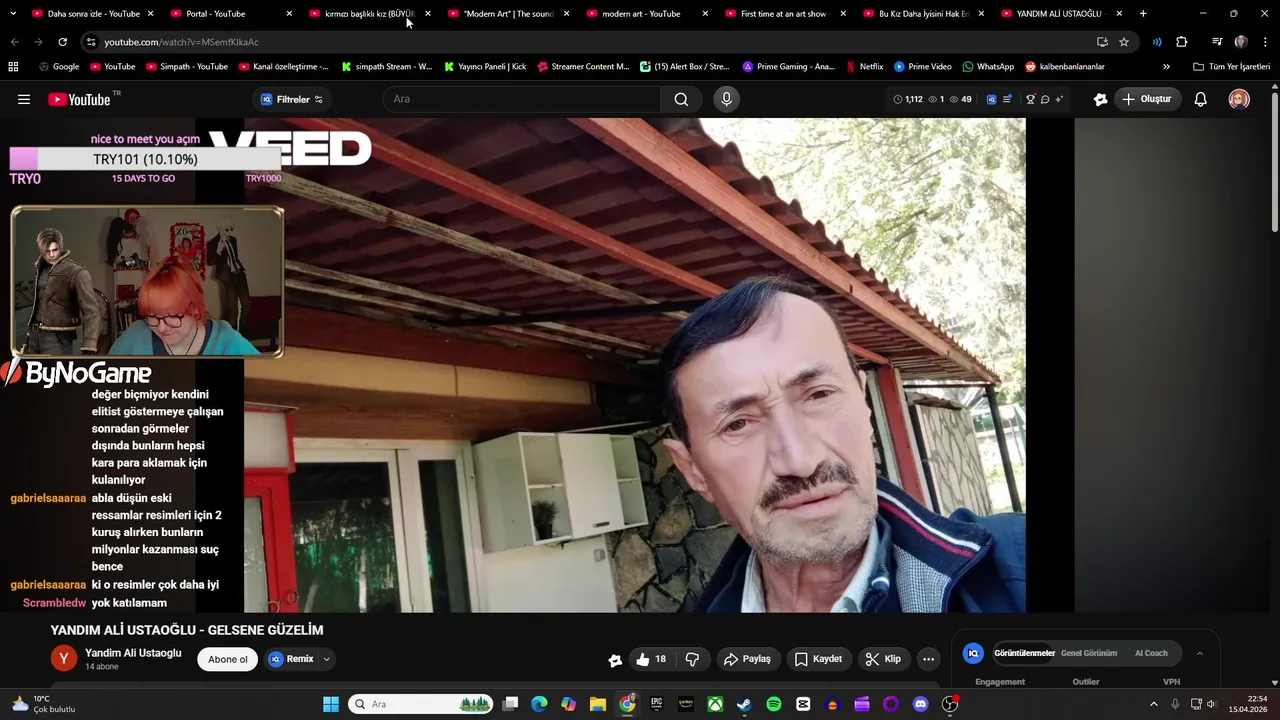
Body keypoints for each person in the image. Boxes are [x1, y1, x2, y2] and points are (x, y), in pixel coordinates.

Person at [659, 277, 1025, 613]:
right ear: (693, 470)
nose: (801, 461)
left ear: (865, 406)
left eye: (819, 395)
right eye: (738, 424)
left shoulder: (1016, 570)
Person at [108, 255, 259, 356]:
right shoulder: (134, 337)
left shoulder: (227, 341)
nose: (161, 328)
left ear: (195, 308)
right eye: (152, 316)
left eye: (172, 315)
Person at [25, 228, 101, 355]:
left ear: (60, 247)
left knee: (59, 367)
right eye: (47, 251)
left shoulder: (76, 272)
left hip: (58, 337)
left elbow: (92, 311)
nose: (51, 255)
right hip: (35, 333)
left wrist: (89, 343)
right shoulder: (40, 269)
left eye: (54, 250)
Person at [208, 219, 252, 332]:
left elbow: (234, 257)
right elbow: (210, 262)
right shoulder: (213, 243)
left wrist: (240, 270)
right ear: (221, 229)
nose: (230, 232)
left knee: (247, 306)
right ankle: (231, 337)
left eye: (231, 229)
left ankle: (243, 335)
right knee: (233, 310)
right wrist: (219, 249)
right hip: (228, 278)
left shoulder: (233, 240)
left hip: (240, 274)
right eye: (227, 230)